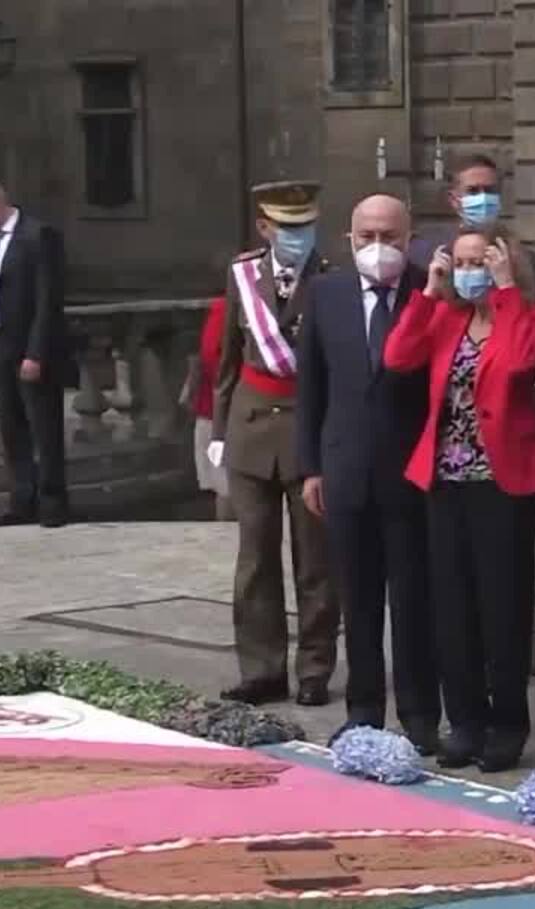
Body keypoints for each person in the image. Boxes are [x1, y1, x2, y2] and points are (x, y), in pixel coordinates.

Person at [383, 227, 535, 772]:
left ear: (503, 263)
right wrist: (430, 292)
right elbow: (397, 357)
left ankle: (507, 725)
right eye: (458, 261)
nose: (467, 270)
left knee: (502, 610)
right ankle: (464, 721)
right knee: (452, 610)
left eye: (478, 260)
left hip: (500, 483)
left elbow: (517, 367)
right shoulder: (448, 318)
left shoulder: (531, 317)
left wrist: (505, 293)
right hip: (444, 482)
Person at [295, 194, 444, 752]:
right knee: (356, 599)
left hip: (410, 472)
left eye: (390, 235)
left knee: (413, 599)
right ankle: (362, 710)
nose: (378, 247)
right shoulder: (327, 293)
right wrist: (311, 467)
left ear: (410, 238)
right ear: (348, 238)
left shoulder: (428, 292)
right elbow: (311, 385)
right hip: (345, 470)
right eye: (366, 236)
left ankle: (421, 712)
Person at [211, 180, 341, 707]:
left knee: (316, 562)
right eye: (287, 228)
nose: (298, 236)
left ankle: (314, 670)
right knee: (255, 560)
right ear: (265, 228)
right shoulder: (241, 274)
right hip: (250, 430)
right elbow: (226, 358)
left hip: (308, 434)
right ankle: (262, 669)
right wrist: (219, 429)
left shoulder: (332, 280)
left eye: (305, 226)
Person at [0, 177, 71, 528]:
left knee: (43, 425)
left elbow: (47, 300)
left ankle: (52, 502)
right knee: (11, 426)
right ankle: (21, 500)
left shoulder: (39, 236)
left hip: (30, 345)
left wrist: (36, 353)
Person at [436, 153, 535, 288]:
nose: (483, 198)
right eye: (473, 191)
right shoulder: (440, 261)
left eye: (490, 191)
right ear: (454, 200)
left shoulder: (531, 261)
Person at [182, 295, 231, 520]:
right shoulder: (225, 307)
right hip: (223, 415)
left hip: (220, 413)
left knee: (226, 490)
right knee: (226, 490)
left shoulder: (224, 307)